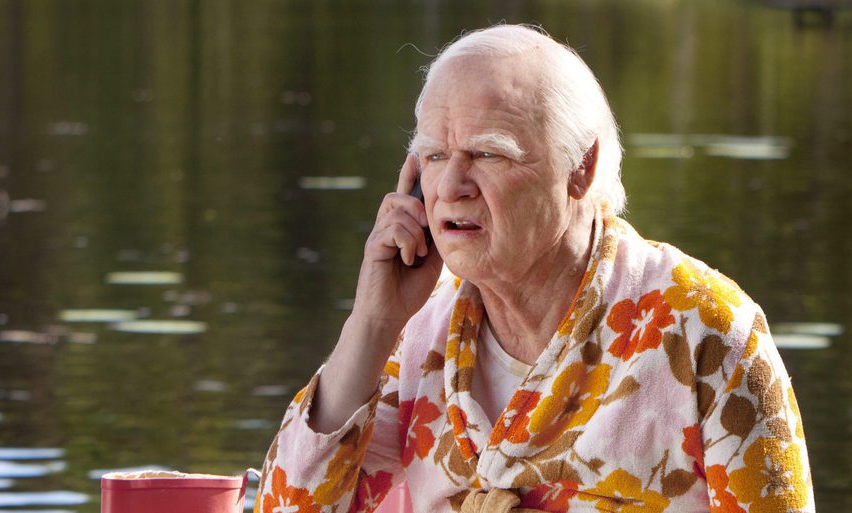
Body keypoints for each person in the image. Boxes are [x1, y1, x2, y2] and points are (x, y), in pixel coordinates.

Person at [255, 24, 813, 513]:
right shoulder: (419, 333)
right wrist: (373, 324)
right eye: (434, 156)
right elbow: (287, 508)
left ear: (580, 168)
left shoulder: (704, 329)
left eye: (489, 154)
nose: (450, 188)